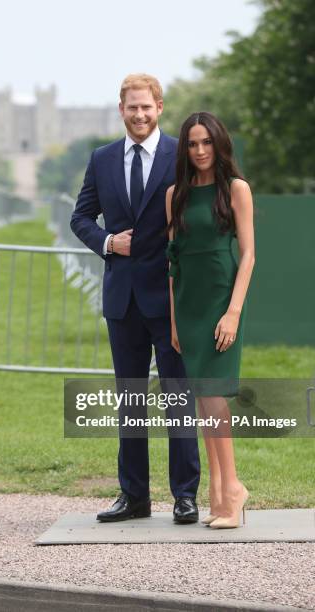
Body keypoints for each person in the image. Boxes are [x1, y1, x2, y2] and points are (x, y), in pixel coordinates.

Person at [70, 74, 200, 524]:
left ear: (160, 107)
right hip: (122, 299)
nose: (140, 115)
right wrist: (108, 242)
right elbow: (80, 217)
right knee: (131, 399)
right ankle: (135, 497)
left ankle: (185, 495)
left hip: (169, 297)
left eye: (147, 107)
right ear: (121, 109)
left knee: (179, 397)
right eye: (132, 107)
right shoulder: (102, 159)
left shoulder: (181, 155)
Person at [166, 111, 255, 529]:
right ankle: (218, 494)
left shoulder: (236, 189)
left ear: (218, 144)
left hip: (222, 302)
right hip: (188, 306)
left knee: (215, 398)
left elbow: (249, 255)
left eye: (206, 142)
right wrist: (172, 322)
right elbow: (173, 264)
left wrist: (233, 312)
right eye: (192, 143)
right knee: (203, 401)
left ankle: (233, 488)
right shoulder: (175, 195)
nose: (199, 151)